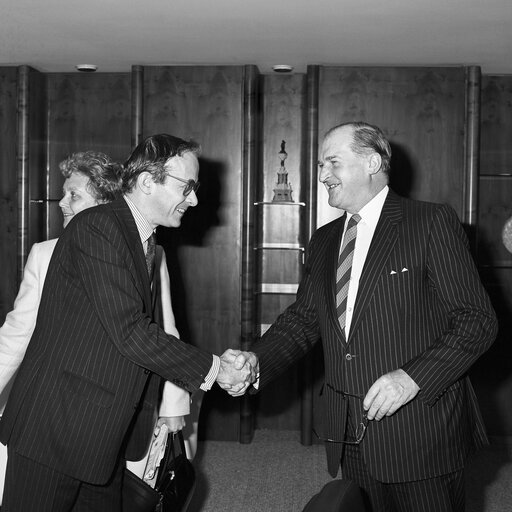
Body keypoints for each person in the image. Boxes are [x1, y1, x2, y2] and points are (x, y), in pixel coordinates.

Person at [230, 122, 498, 512]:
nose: (322, 175)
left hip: (419, 427)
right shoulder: (323, 239)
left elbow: (477, 320)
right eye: (322, 165)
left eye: (333, 163)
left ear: (372, 162)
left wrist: (412, 378)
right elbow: (304, 320)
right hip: (349, 430)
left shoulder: (430, 222)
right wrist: (257, 360)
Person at [0, 135, 254, 511]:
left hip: (104, 431)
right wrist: (216, 369)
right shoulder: (98, 228)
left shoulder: (142, 240)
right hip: (56, 428)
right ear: (148, 181)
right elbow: (131, 330)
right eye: (187, 187)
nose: (195, 200)